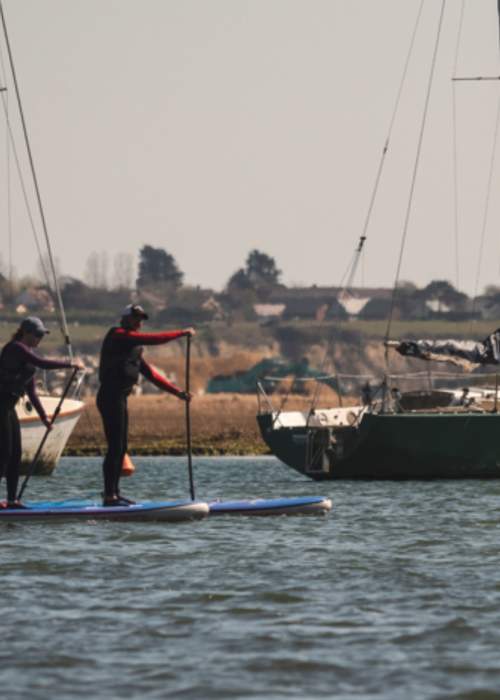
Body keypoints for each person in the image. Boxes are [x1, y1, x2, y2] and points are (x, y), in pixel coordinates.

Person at [97, 304, 194, 506]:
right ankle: (109, 496)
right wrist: (181, 333)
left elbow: (151, 375)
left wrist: (178, 392)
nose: (139, 322)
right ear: (125, 319)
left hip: (120, 398)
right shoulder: (118, 335)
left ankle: (114, 493)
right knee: (115, 446)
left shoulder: (134, 348)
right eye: (136, 318)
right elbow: (153, 339)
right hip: (109, 396)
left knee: (121, 446)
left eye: (141, 319)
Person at [0, 317, 84, 509]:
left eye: (42, 335)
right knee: (3, 454)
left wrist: (43, 417)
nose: (40, 338)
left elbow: (31, 391)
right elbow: (42, 363)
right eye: (37, 334)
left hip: (9, 407)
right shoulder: (15, 348)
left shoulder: (27, 356)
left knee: (15, 455)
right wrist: (69, 364)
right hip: (0, 405)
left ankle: (12, 500)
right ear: (26, 333)